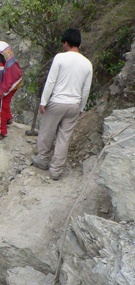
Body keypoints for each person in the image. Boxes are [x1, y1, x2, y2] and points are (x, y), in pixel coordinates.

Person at [30, 29, 93, 180]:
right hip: (74, 105)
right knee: (64, 138)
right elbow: (86, 90)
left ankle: (43, 160)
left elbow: (51, 81)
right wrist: (81, 108)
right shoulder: (87, 64)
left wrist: (44, 101)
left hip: (57, 102)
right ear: (79, 43)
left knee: (47, 131)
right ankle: (56, 171)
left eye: (63, 43)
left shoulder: (60, 58)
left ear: (66, 43)